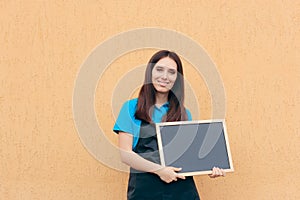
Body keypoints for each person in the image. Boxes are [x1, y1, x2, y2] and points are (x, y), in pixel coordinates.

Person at [113, 50, 225, 200]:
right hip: (144, 191)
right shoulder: (131, 108)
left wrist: (210, 167)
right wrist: (160, 170)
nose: (164, 76)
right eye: (159, 69)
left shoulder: (184, 114)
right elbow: (125, 154)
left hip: (182, 191)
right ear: (150, 73)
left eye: (172, 72)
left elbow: (190, 158)